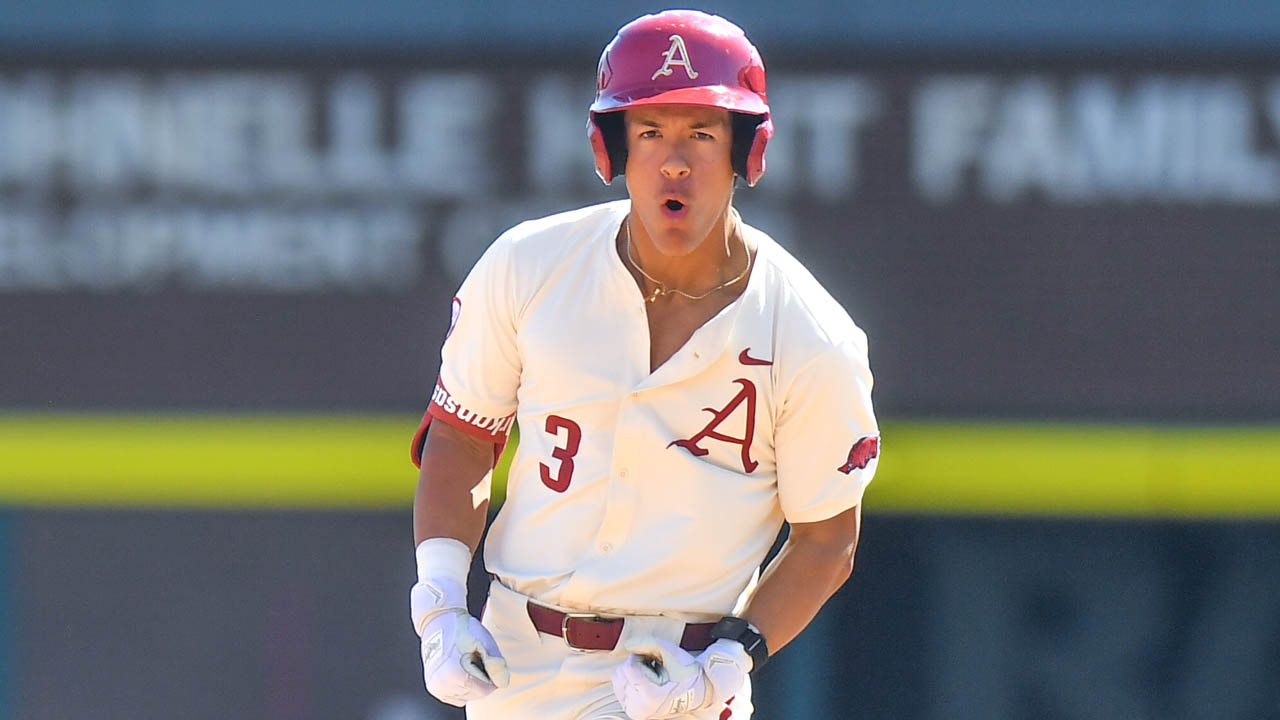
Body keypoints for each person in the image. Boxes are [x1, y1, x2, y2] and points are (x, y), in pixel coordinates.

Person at [407, 9, 880, 719]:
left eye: (702, 131)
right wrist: (441, 605)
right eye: (650, 131)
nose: (675, 159)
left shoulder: (812, 336)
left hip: (674, 677)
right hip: (517, 666)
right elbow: (464, 434)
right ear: (613, 148)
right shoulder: (527, 266)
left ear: (746, 151)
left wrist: (730, 658)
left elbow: (827, 539)